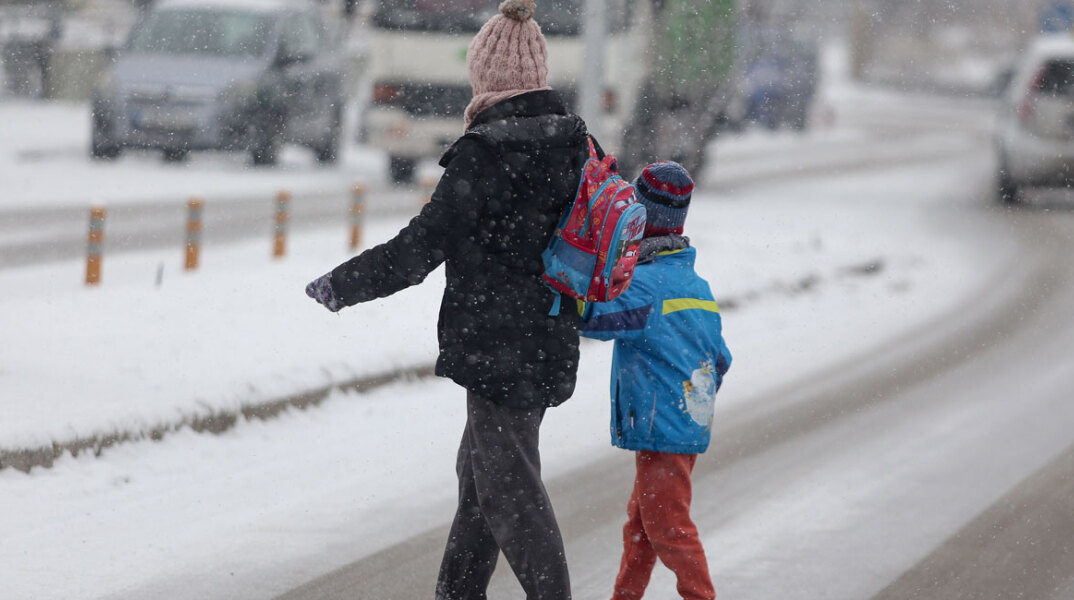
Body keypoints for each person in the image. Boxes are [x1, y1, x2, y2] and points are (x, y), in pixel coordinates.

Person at [304, 1, 590, 598]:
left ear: (485, 75)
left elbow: (421, 247)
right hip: (549, 335)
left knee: (511, 494)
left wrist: (344, 284)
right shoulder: (574, 142)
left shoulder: (486, 153)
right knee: (484, 482)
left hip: (496, 343)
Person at [578, 162, 732, 600]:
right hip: (680, 422)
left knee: (668, 528)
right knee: (643, 526)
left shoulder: (644, 286)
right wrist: (690, 400)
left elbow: (593, 316)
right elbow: (720, 357)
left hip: (662, 427)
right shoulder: (694, 284)